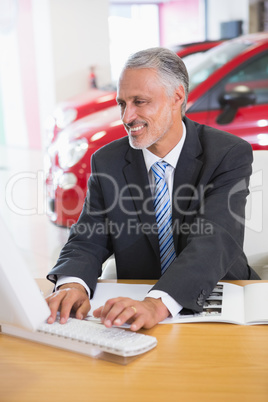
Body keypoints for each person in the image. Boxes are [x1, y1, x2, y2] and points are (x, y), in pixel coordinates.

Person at [46, 47, 260, 331]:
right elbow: (89, 237)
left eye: (140, 102)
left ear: (177, 97)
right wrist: (73, 284)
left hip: (219, 300)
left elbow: (216, 240)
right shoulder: (108, 161)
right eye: (122, 103)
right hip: (135, 308)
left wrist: (157, 303)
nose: (126, 116)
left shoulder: (227, 153)